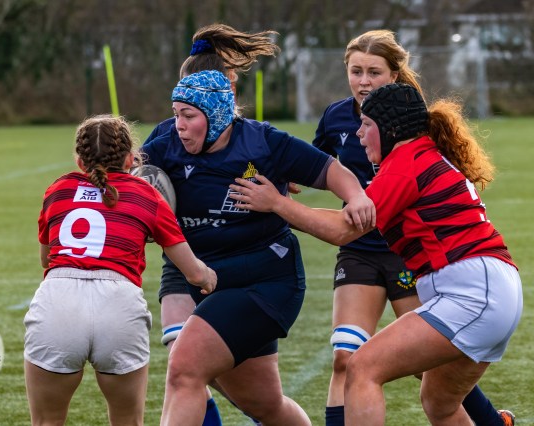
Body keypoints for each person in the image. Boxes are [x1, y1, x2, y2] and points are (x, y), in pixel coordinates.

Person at [229, 83, 523, 426]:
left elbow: (342, 229)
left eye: (366, 124)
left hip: (472, 292)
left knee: (362, 367)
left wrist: (277, 204)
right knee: (439, 402)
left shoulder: (404, 163)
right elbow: (348, 220)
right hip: (490, 289)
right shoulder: (421, 154)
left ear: (390, 129)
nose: (359, 133)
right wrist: (284, 206)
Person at [142, 69, 374, 426]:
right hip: (212, 285)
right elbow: (128, 184)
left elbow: (329, 170)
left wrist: (356, 195)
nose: (180, 126)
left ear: (216, 115)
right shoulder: (164, 146)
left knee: (184, 367)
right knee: (265, 405)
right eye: (176, 115)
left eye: (188, 116)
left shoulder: (261, 142)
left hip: (267, 282)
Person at [312, 29, 514, 426]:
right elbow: (316, 163)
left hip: (412, 257)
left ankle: (492, 421)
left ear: (394, 76)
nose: (363, 81)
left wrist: (277, 206)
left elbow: (343, 226)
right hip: (365, 251)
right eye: (355, 71)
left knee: (417, 367)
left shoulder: (408, 137)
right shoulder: (337, 117)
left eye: (373, 72)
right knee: (350, 359)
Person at [23, 114, 217, 426]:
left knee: (47, 422)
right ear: (130, 159)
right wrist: (209, 277)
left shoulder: (58, 189)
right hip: (119, 304)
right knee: (127, 421)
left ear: (79, 161)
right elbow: (193, 273)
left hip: (59, 300)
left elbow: (46, 260)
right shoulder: (147, 194)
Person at [144, 24, 280, 425]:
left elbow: (286, 179)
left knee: (260, 400)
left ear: (228, 89)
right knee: (182, 362)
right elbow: (142, 180)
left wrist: (278, 187)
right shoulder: (166, 136)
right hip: (185, 262)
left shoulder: (253, 140)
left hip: (244, 268)